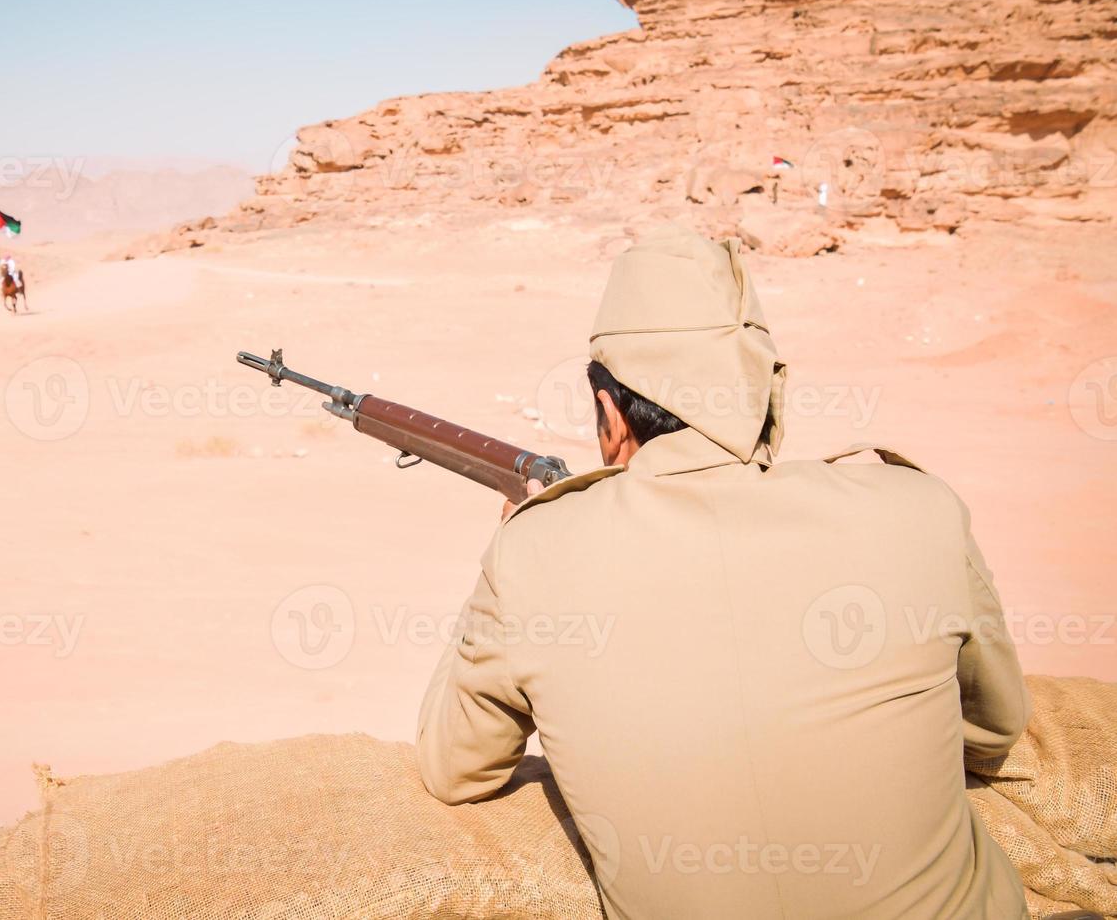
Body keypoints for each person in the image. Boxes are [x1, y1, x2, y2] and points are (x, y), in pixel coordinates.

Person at [416, 224, 1029, 918]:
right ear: (769, 394)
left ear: (610, 412)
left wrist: (507, 548)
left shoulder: (534, 551)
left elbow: (454, 766)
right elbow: (994, 730)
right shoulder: (918, 509)